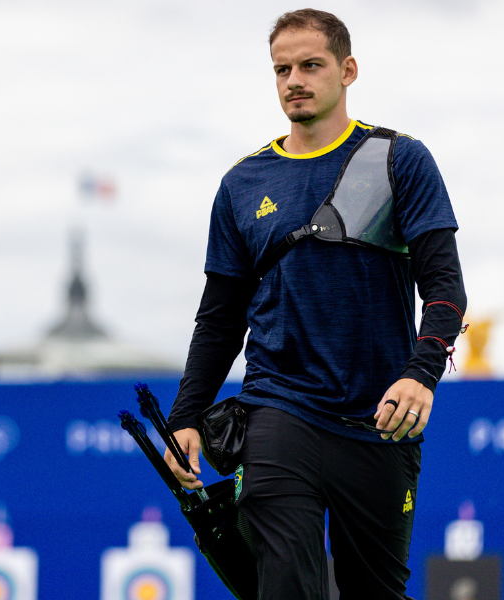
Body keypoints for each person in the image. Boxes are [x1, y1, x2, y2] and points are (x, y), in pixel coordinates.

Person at [164, 9, 466, 599]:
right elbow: (219, 319)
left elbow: (446, 289)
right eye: (281, 69)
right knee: (285, 587)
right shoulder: (242, 183)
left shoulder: (402, 159)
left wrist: (421, 374)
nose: (293, 80)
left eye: (310, 65)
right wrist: (186, 415)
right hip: (279, 412)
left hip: (381, 420)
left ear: (348, 70)